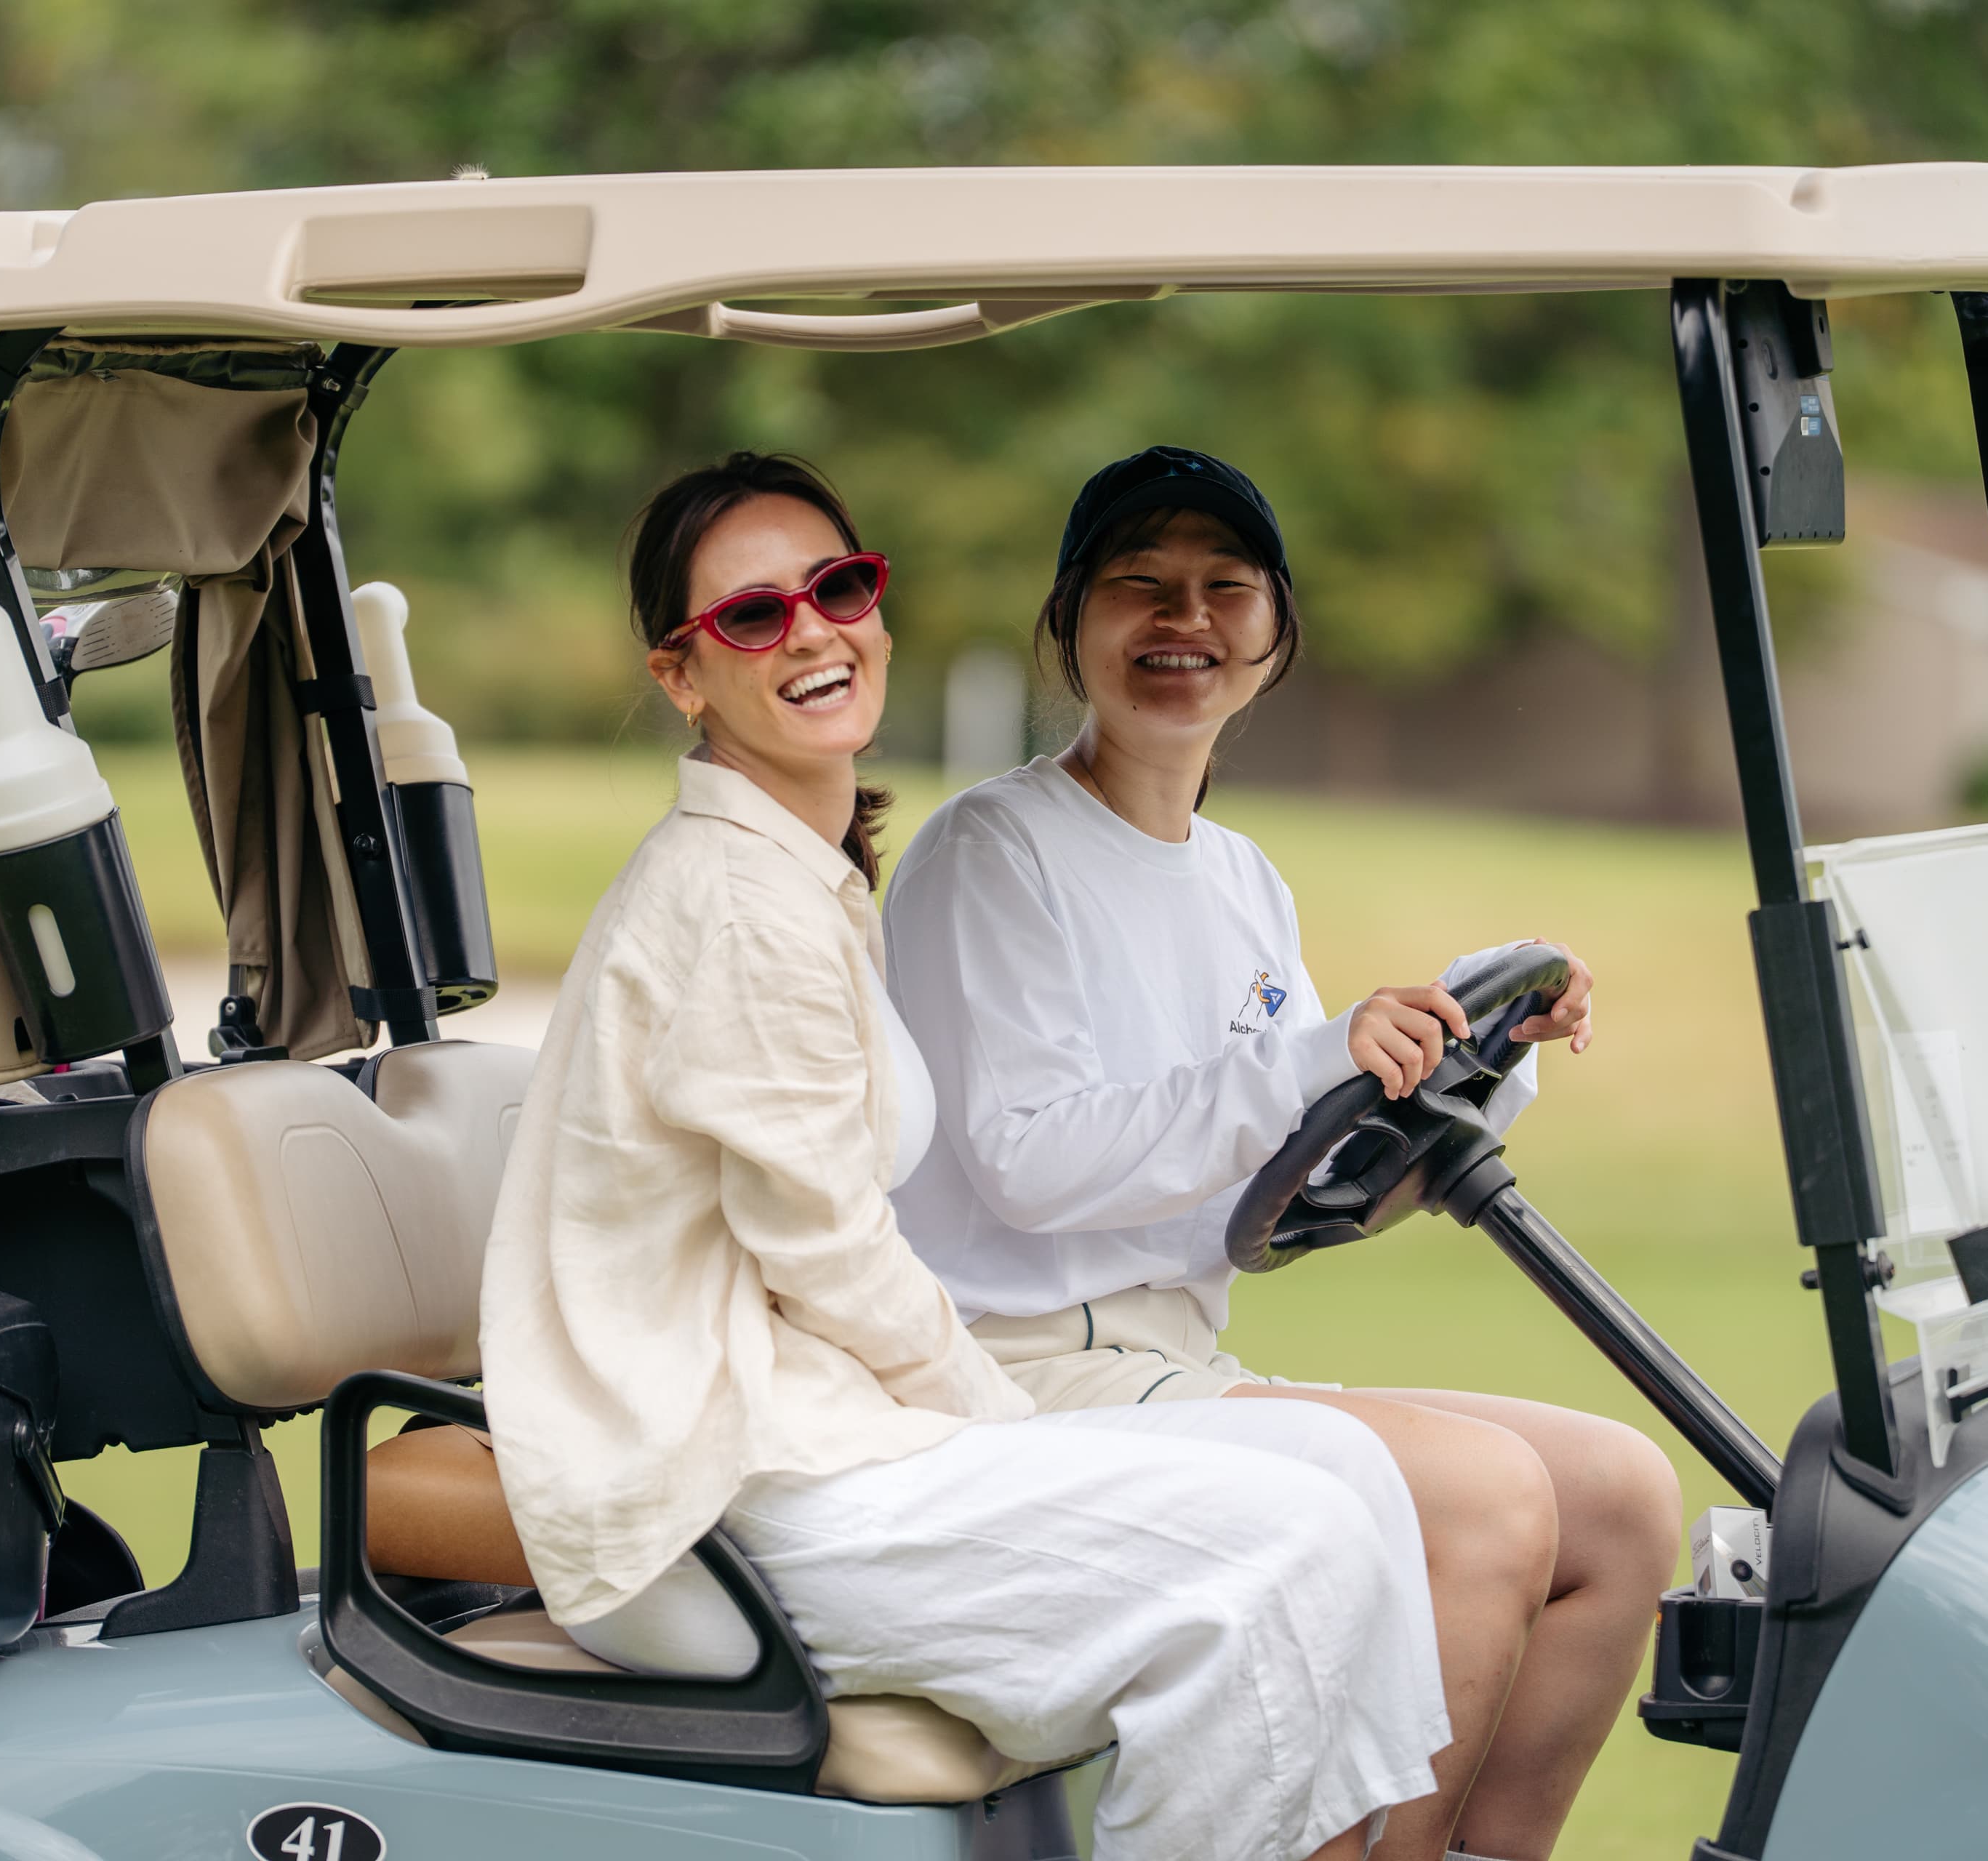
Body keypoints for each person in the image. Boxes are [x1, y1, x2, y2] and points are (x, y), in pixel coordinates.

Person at [478, 451, 1473, 1861]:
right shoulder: (737, 902)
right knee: (1287, 1546)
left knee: (1347, 1490)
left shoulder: (794, 875)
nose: (815, 629)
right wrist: (1003, 1419)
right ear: (682, 674)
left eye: (839, 586)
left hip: (812, 1426)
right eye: (754, 616)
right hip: (722, 1469)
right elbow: (830, 1257)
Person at [882, 446, 1684, 1861]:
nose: (1180, 617)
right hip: (1016, 1377)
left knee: (1621, 1495)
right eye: (1138, 583)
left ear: (1275, 633)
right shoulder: (991, 851)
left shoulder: (1243, 878)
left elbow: (1303, 1183)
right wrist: (1321, 1050)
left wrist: (1488, 1060)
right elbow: (1031, 1161)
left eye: (1223, 586)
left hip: (1174, 1366)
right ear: (1070, 621)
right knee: (1490, 1499)